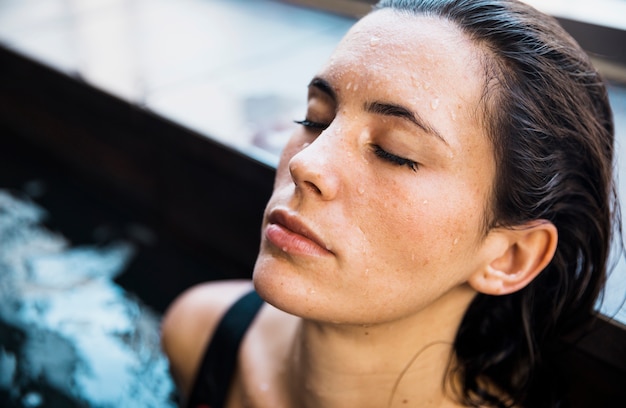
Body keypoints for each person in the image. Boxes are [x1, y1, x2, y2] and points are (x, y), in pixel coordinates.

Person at [160, 0, 619, 407]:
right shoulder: (198, 335)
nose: (306, 163)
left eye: (394, 151)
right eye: (316, 118)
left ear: (508, 257)